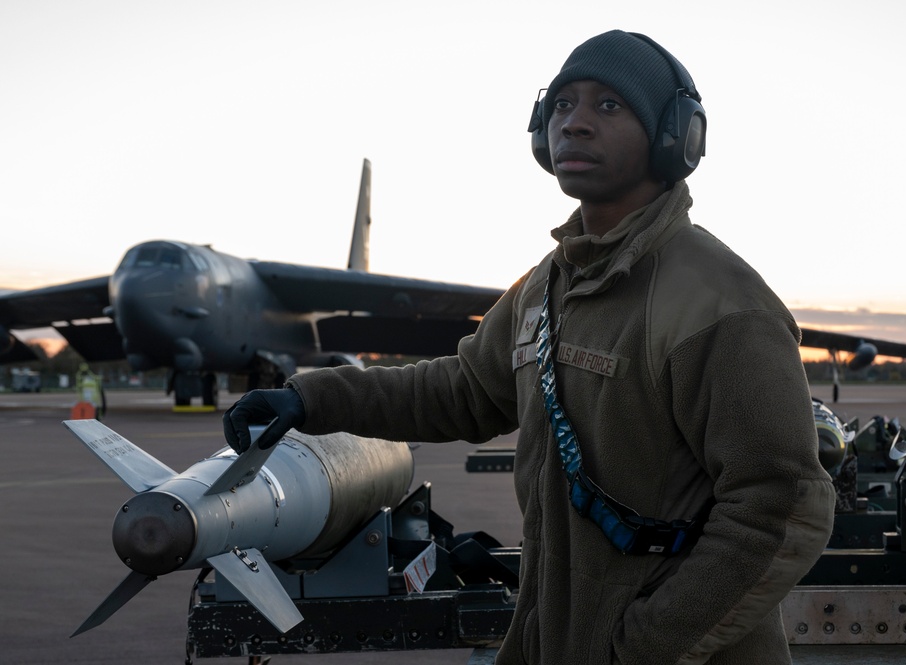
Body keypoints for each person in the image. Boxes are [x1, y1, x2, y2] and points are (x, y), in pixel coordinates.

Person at [224, 29, 835, 665]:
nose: (574, 124)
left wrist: (642, 648)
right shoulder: (548, 283)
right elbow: (464, 391)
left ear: (674, 137)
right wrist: (310, 399)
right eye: (562, 105)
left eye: (608, 106)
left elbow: (783, 508)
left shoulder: (719, 303)